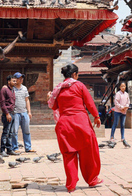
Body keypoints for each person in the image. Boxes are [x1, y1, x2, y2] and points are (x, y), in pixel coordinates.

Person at [47, 63, 102, 193]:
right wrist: (96, 116)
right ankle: (92, 179)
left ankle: (71, 185)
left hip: (64, 125)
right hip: (81, 123)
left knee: (69, 155)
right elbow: (89, 102)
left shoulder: (58, 89)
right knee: (88, 152)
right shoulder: (79, 85)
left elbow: (54, 107)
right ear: (74, 74)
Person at [11, 72, 34, 154]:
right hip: (15, 113)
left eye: (22, 78)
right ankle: (15, 147)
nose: (21, 80)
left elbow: (27, 100)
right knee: (14, 132)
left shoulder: (24, 88)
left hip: (24, 112)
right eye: (19, 78)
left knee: (27, 131)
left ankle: (28, 147)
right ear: (14, 79)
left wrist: (29, 112)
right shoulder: (12, 89)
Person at [0, 75, 19, 157]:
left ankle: (9, 149)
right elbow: (2, 103)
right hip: (7, 113)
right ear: (8, 81)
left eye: (15, 81)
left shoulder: (13, 90)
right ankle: (2, 150)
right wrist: (7, 113)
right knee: (6, 132)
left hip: (13, 113)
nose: (15, 82)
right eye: (13, 81)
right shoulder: (4, 89)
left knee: (11, 133)